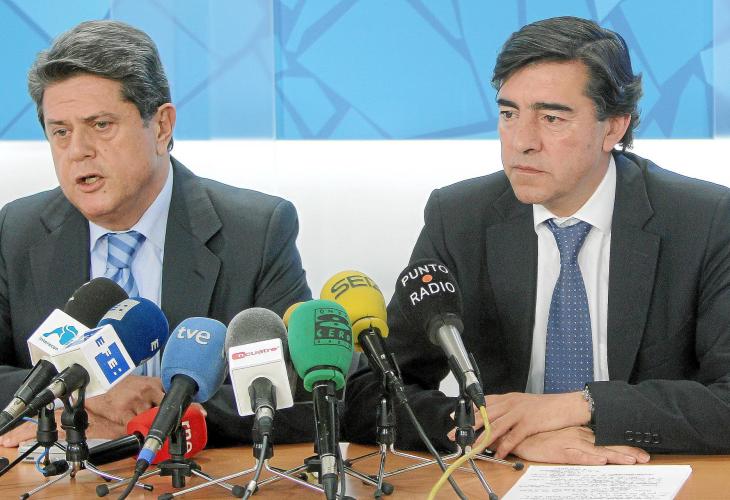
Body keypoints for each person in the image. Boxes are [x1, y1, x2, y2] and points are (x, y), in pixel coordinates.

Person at [344, 16, 730, 464]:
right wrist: (499, 433)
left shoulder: (704, 220)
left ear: (613, 127)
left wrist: (580, 405)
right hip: (514, 473)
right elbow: (373, 392)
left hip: (654, 471)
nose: (522, 141)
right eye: (509, 114)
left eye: (551, 118)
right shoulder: (460, 218)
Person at [0, 20, 312, 447]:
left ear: (162, 126)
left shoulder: (257, 231)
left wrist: (160, 416)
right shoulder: (17, 230)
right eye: (61, 132)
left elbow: (302, 393)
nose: (78, 151)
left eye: (101, 125)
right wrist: (79, 399)